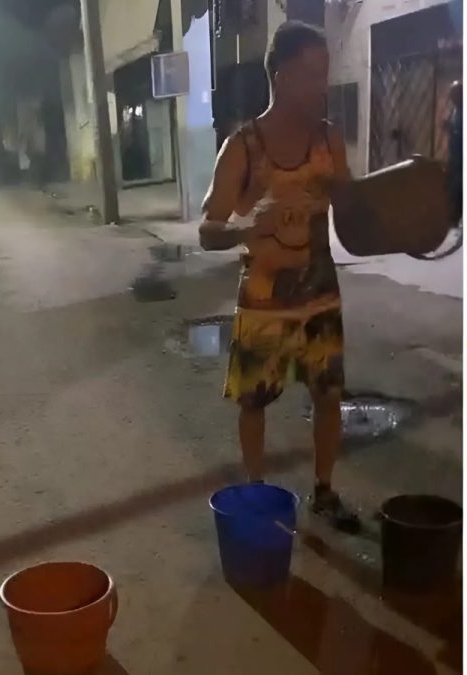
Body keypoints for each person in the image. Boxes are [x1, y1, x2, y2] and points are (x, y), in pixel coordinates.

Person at [198, 21, 360, 533]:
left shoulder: (328, 139)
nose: (321, 86)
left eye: (324, 75)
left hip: (320, 296)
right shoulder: (244, 147)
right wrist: (249, 226)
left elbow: (355, 212)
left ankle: (325, 491)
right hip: (264, 300)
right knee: (254, 402)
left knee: (329, 395)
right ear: (279, 75)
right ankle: (255, 494)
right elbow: (208, 230)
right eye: (310, 75)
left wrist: (392, 210)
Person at [444, 80, 464, 226]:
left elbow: (461, 133)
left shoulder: (462, 111)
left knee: (458, 186)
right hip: (454, 154)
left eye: (454, 95)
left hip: (460, 155)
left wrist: (451, 129)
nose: (451, 98)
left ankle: (455, 216)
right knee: (453, 185)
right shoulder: (456, 110)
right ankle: (453, 215)